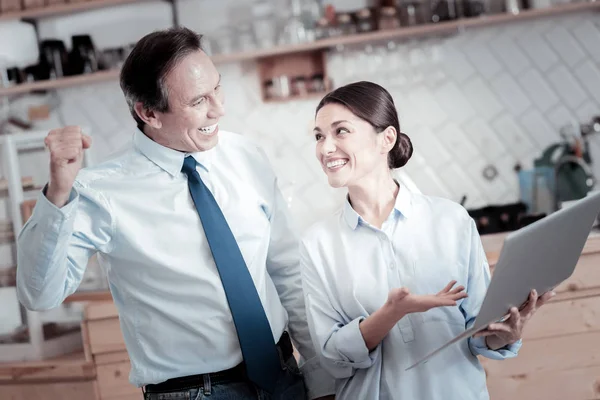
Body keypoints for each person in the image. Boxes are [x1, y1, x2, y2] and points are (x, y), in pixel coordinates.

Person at [16, 27, 334, 400]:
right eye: (199, 100)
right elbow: (39, 295)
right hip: (193, 393)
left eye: (217, 88)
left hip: (285, 378)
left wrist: (320, 375)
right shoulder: (100, 190)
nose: (219, 108)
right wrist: (58, 193)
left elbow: (287, 270)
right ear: (149, 112)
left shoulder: (245, 156)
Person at [299, 81, 553, 399]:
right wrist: (391, 312)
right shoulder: (317, 244)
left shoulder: (451, 220)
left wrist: (507, 333)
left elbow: (480, 333)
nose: (325, 148)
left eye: (340, 131)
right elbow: (333, 358)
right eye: (319, 136)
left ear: (386, 139)